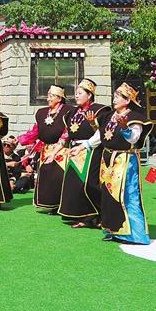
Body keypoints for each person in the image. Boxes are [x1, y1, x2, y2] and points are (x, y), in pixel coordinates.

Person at [70, 83, 153, 244]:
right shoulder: (109, 116)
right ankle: (113, 230)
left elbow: (134, 139)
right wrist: (82, 147)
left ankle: (134, 235)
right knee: (108, 196)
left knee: (126, 195)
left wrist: (124, 128)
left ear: (127, 100)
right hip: (107, 159)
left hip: (124, 160)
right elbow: (99, 136)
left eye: (118, 97)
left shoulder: (134, 118)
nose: (114, 100)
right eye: (114, 96)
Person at [59, 79, 110, 228]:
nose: (76, 95)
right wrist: (58, 149)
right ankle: (83, 217)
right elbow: (66, 134)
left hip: (92, 150)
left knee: (89, 184)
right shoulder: (71, 112)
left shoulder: (101, 110)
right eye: (76, 93)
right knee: (74, 184)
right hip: (74, 150)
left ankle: (101, 215)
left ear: (89, 95)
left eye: (80, 93)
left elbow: (102, 133)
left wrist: (93, 123)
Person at [18, 85, 71, 214]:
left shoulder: (68, 111)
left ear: (59, 98)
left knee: (58, 177)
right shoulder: (42, 113)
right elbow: (36, 131)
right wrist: (21, 139)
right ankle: (50, 204)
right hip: (45, 149)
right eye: (48, 95)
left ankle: (61, 205)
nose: (48, 99)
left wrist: (58, 147)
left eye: (51, 96)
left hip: (61, 149)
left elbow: (67, 132)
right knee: (47, 177)